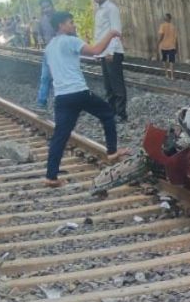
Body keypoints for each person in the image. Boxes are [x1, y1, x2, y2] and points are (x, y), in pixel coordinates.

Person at [43, 10, 128, 188]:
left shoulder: (49, 47)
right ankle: (112, 151)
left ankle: (51, 177)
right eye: (70, 22)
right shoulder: (70, 40)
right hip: (79, 92)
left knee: (60, 136)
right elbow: (96, 50)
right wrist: (111, 34)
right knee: (107, 113)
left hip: (62, 97)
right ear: (61, 25)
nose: (74, 25)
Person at [91, 0, 128, 123]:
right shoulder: (99, 10)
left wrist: (110, 52)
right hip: (103, 52)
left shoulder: (111, 9)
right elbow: (100, 33)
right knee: (108, 85)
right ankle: (111, 112)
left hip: (112, 52)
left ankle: (121, 114)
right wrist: (97, 52)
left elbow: (115, 31)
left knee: (117, 85)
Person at [35, 0, 57, 111]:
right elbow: (39, 34)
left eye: (47, 6)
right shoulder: (41, 20)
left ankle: (67, 104)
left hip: (60, 53)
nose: (46, 9)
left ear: (52, 6)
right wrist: (40, 39)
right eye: (43, 8)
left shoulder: (59, 18)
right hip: (48, 53)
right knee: (45, 77)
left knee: (60, 78)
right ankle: (41, 103)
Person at [157, 13, 178, 80]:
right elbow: (176, 38)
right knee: (171, 61)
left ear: (165, 19)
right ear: (170, 19)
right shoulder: (173, 27)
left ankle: (166, 74)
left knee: (164, 60)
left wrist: (158, 43)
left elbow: (161, 36)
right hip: (172, 46)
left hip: (164, 46)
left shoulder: (162, 26)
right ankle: (172, 76)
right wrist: (177, 47)